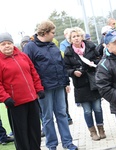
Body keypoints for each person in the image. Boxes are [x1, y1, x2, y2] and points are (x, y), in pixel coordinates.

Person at [23, 20, 78, 150]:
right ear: (45, 32)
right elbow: (28, 69)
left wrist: (66, 82)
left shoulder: (53, 46)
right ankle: (52, 145)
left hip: (59, 86)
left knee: (62, 115)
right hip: (44, 88)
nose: (54, 35)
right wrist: (35, 89)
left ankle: (68, 142)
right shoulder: (30, 47)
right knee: (47, 118)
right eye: (52, 32)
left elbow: (61, 64)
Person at [0, 32, 45, 150]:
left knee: (35, 130)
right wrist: (5, 98)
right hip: (15, 103)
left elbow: (33, 73)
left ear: (12, 43)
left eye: (9, 43)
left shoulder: (23, 56)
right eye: (3, 44)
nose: (7, 46)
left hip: (32, 100)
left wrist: (39, 89)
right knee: (21, 134)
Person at [64, 27, 106, 141]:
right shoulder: (68, 52)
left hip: (93, 81)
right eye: (74, 37)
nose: (76, 38)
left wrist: (93, 63)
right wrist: (73, 72)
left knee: (97, 108)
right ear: (70, 39)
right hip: (80, 84)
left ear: (82, 36)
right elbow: (66, 68)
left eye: (78, 36)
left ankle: (101, 128)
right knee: (87, 110)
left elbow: (100, 59)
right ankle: (92, 132)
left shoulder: (91, 46)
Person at [60, 28, 73, 125]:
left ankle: (67, 116)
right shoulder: (62, 45)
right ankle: (66, 116)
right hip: (68, 70)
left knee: (64, 99)